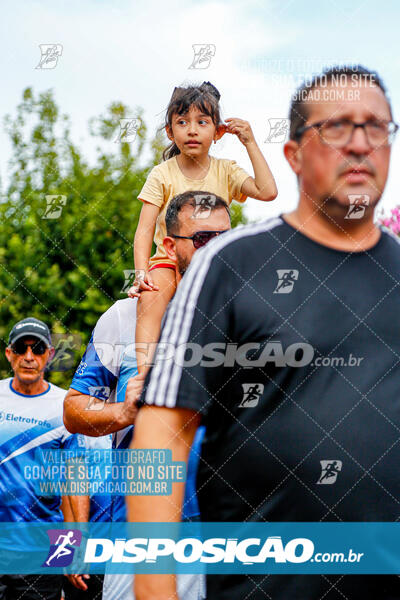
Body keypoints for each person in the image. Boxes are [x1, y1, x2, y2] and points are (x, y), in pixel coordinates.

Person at [129, 65, 400, 600]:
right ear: (295, 154)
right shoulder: (228, 265)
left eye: (377, 128)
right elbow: (160, 438)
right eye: (338, 128)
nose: (361, 143)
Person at [64, 191, 231, 600]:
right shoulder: (124, 318)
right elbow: (72, 411)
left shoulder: (248, 316)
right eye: (204, 239)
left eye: (226, 239)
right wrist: (122, 411)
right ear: (168, 245)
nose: (219, 252)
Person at [128, 80, 277, 374]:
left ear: (217, 131)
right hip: (170, 262)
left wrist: (249, 142)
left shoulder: (226, 169)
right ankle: (144, 376)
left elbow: (268, 191)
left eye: (202, 122)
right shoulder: (162, 174)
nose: (192, 130)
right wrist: (141, 273)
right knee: (151, 298)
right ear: (170, 132)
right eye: (182, 122)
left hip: (216, 260)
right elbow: (144, 229)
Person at [0, 318, 82, 600]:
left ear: (49, 355)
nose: (29, 357)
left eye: (37, 349)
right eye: (21, 349)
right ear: (9, 354)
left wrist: (69, 552)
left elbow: (72, 488)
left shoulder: (65, 407)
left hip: (39, 556)